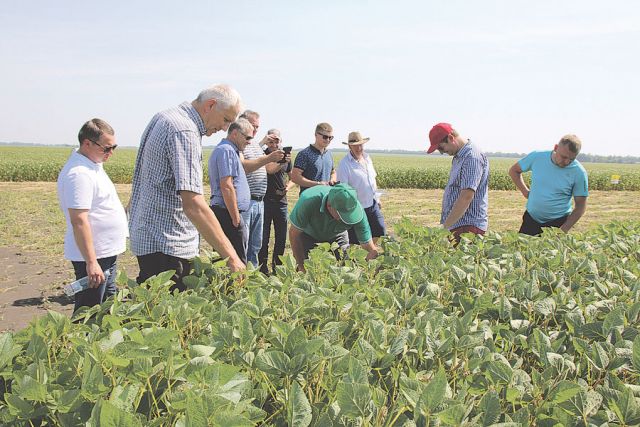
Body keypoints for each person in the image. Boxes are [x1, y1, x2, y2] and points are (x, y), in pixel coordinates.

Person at [128, 84, 245, 292]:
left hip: (151, 238)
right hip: (167, 245)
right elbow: (194, 204)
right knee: (168, 318)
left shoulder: (165, 117)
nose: (225, 128)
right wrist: (232, 258)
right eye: (226, 119)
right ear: (210, 105)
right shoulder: (185, 130)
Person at [57, 119, 128, 312]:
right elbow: (79, 220)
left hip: (105, 253)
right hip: (95, 256)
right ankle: (80, 342)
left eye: (114, 147)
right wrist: (91, 262)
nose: (110, 153)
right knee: (89, 311)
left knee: (108, 307)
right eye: (106, 148)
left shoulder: (92, 165)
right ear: (87, 143)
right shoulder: (79, 174)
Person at [508, 134, 588, 236]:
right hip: (531, 219)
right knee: (521, 250)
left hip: (557, 223)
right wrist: (525, 192)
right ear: (555, 148)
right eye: (563, 157)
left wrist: (563, 230)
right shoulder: (537, 157)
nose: (566, 162)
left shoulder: (579, 173)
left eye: (571, 159)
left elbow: (580, 207)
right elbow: (514, 171)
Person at [289, 183, 378, 272]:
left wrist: (374, 268)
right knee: (309, 270)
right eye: (342, 215)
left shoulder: (356, 210)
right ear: (329, 206)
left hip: (337, 236)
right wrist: (301, 265)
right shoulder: (308, 200)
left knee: (343, 270)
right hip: (307, 235)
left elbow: (368, 246)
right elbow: (294, 233)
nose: (345, 220)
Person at [237, 111, 287, 267]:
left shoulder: (254, 145)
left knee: (255, 244)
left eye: (258, 127)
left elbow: (267, 168)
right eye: (253, 126)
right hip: (247, 200)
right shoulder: (240, 144)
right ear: (242, 123)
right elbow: (245, 165)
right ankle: (241, 278)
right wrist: (264, 147)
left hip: (259, 201)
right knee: (244, 243)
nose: (256, 129)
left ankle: (252, 276)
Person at [426, 122, 489, 242]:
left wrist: (444, 227)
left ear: (451, 138)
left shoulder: (471, 157)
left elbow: (466, 197)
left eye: (441, 147)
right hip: (457, 225)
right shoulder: (459, 156)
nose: (441, 152)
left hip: (468, 228)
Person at [208, 118, 255, 264]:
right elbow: (227, 186)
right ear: (235, 133)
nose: (249, 142)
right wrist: (236, 218)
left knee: (225, 261)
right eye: (247, 137)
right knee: (235, 262)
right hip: (227, 214)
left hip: (227, 213)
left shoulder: (230, 150)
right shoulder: (226, 150)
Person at [336, 131, 387, 244]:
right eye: (355, 146)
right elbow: (343, 189)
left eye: (360, 145)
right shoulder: (344, 164)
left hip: (372, 203)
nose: (359, 148)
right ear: (349, 146)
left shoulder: (368, 159)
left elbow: (372, 180)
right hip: (357, 207)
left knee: (380, 230)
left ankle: (368, 254)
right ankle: (361, 258)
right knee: (356, 239)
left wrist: (377, 199)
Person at [258, 129, 294, 275]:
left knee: (281, 238)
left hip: (281, 202)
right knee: (264, 237)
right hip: (265, 200)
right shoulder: (263, 155)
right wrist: (281, 162)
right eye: (270, 141)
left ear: (281, 141)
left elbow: (293, 177)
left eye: (276, 141)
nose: (273, 144)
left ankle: (277, 268)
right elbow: (269, 170)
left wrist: (288, 187)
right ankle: (262, 268)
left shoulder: (286, 157)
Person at [290, 122, 337, 193]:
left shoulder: (329, 154)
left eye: (330, 137)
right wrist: (317, 184)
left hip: (326, 199)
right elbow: (295, 178)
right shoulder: (304, 154)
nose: (328, 140)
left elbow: (333, 172)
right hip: (309, 200)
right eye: (325, 137)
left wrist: (333, 180)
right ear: (316, 135)